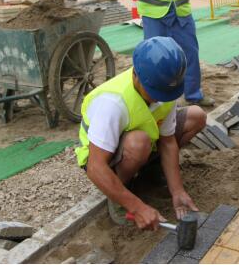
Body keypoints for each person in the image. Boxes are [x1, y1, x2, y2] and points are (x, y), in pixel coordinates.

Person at [75, 36, 206, 229]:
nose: (159, 99)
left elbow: (168, 142)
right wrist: (136, 207)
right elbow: (95, 166)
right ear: (136, 75)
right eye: (154, 92)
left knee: (197, 115)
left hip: (146, 140)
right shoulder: (112, 103)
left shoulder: (164, 89)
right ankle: (120, 192)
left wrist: (177, 190)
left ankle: (150, 170)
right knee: (138, 142)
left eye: (164, 93)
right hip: (103, 157)